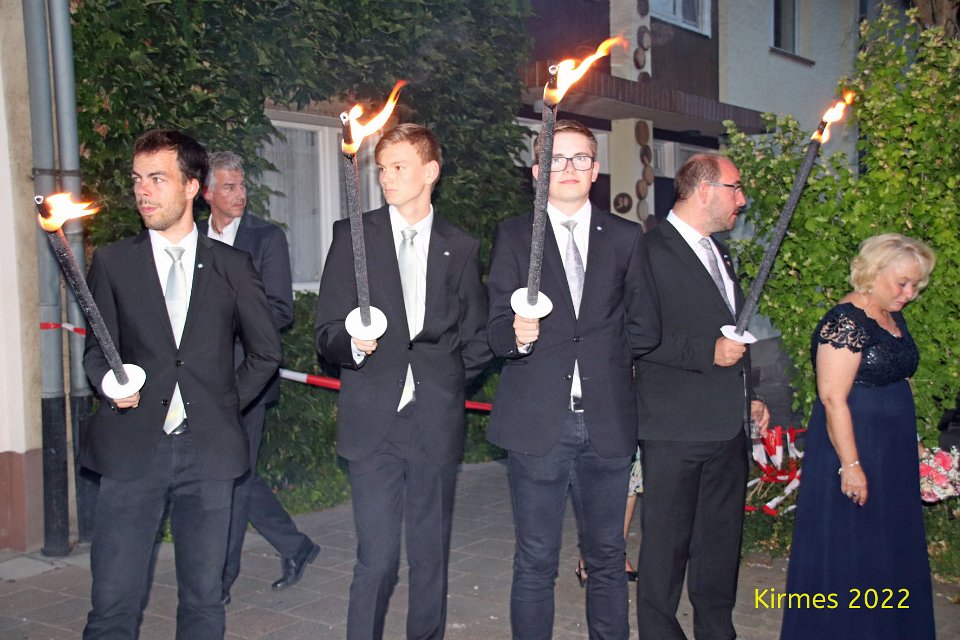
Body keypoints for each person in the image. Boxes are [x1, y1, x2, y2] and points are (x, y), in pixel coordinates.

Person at [81, 129, 282, 638]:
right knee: (112, 604)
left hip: (208, 452)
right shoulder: (114, 262)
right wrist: (109, 383)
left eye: (157, 179)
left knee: (203, 601)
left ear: (193, 186)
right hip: (132, 448)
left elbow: (265, 352)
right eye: (137, 179)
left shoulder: (232, 266)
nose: (142, 191)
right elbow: (97, 351)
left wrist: (223, 404)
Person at [486, 118, 661, 639]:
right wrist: (517, 335)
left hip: (607, 421)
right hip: (538, 420)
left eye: (580, 158)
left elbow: (645, 327)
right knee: (536, 557)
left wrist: (604, 360)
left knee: (607, 555)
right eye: (556, 159)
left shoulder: (625, 237)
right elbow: (493, 328)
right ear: (537, 171)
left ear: (595, 169)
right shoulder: (515, 236)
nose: (568, 168)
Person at [314, 123, 490, 640]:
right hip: (374, 420)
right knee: (377, 557)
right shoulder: (354, 236)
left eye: (398, 167)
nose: (386, 178)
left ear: (430, 172)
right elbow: (326, 331)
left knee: (430, 554)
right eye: (381, 168)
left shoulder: (460, 246)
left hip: (434, 419)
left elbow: (476, 337)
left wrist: (446, 384)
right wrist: (352, 345)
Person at [634, 152, 770, 640]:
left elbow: (733, 330)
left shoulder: (720, 252)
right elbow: (635, 335)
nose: (742, 199)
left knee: (719, 547)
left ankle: (717, 631)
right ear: (705, 190)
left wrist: (748, 394)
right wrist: (706, 353)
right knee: (666, 550)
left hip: (727, 426)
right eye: (736, 188)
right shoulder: (648, 251)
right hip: (674, 426)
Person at [780, 233, 936, 640]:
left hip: (892, 449)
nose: (909, 293)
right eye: (902, 283)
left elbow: (897, 379)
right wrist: (850, 466)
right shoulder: (844, 322)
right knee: (854, 548)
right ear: (873, 272)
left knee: (890, 547)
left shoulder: (891, 316)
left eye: (915, 285)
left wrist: (913, 441)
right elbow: (833, 398)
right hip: (853, 447)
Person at [199, 151, 320, 605]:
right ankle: (296, 546)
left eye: (243, 185)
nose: (240, 194)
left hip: (246, 377)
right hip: (196, 381)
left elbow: (280, 311)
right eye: (229, 187)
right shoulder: (189, 237)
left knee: (232, 476)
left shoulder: (266, 238)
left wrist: (220, 321)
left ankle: (220, 583)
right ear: (206, 192)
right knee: (229, 475)